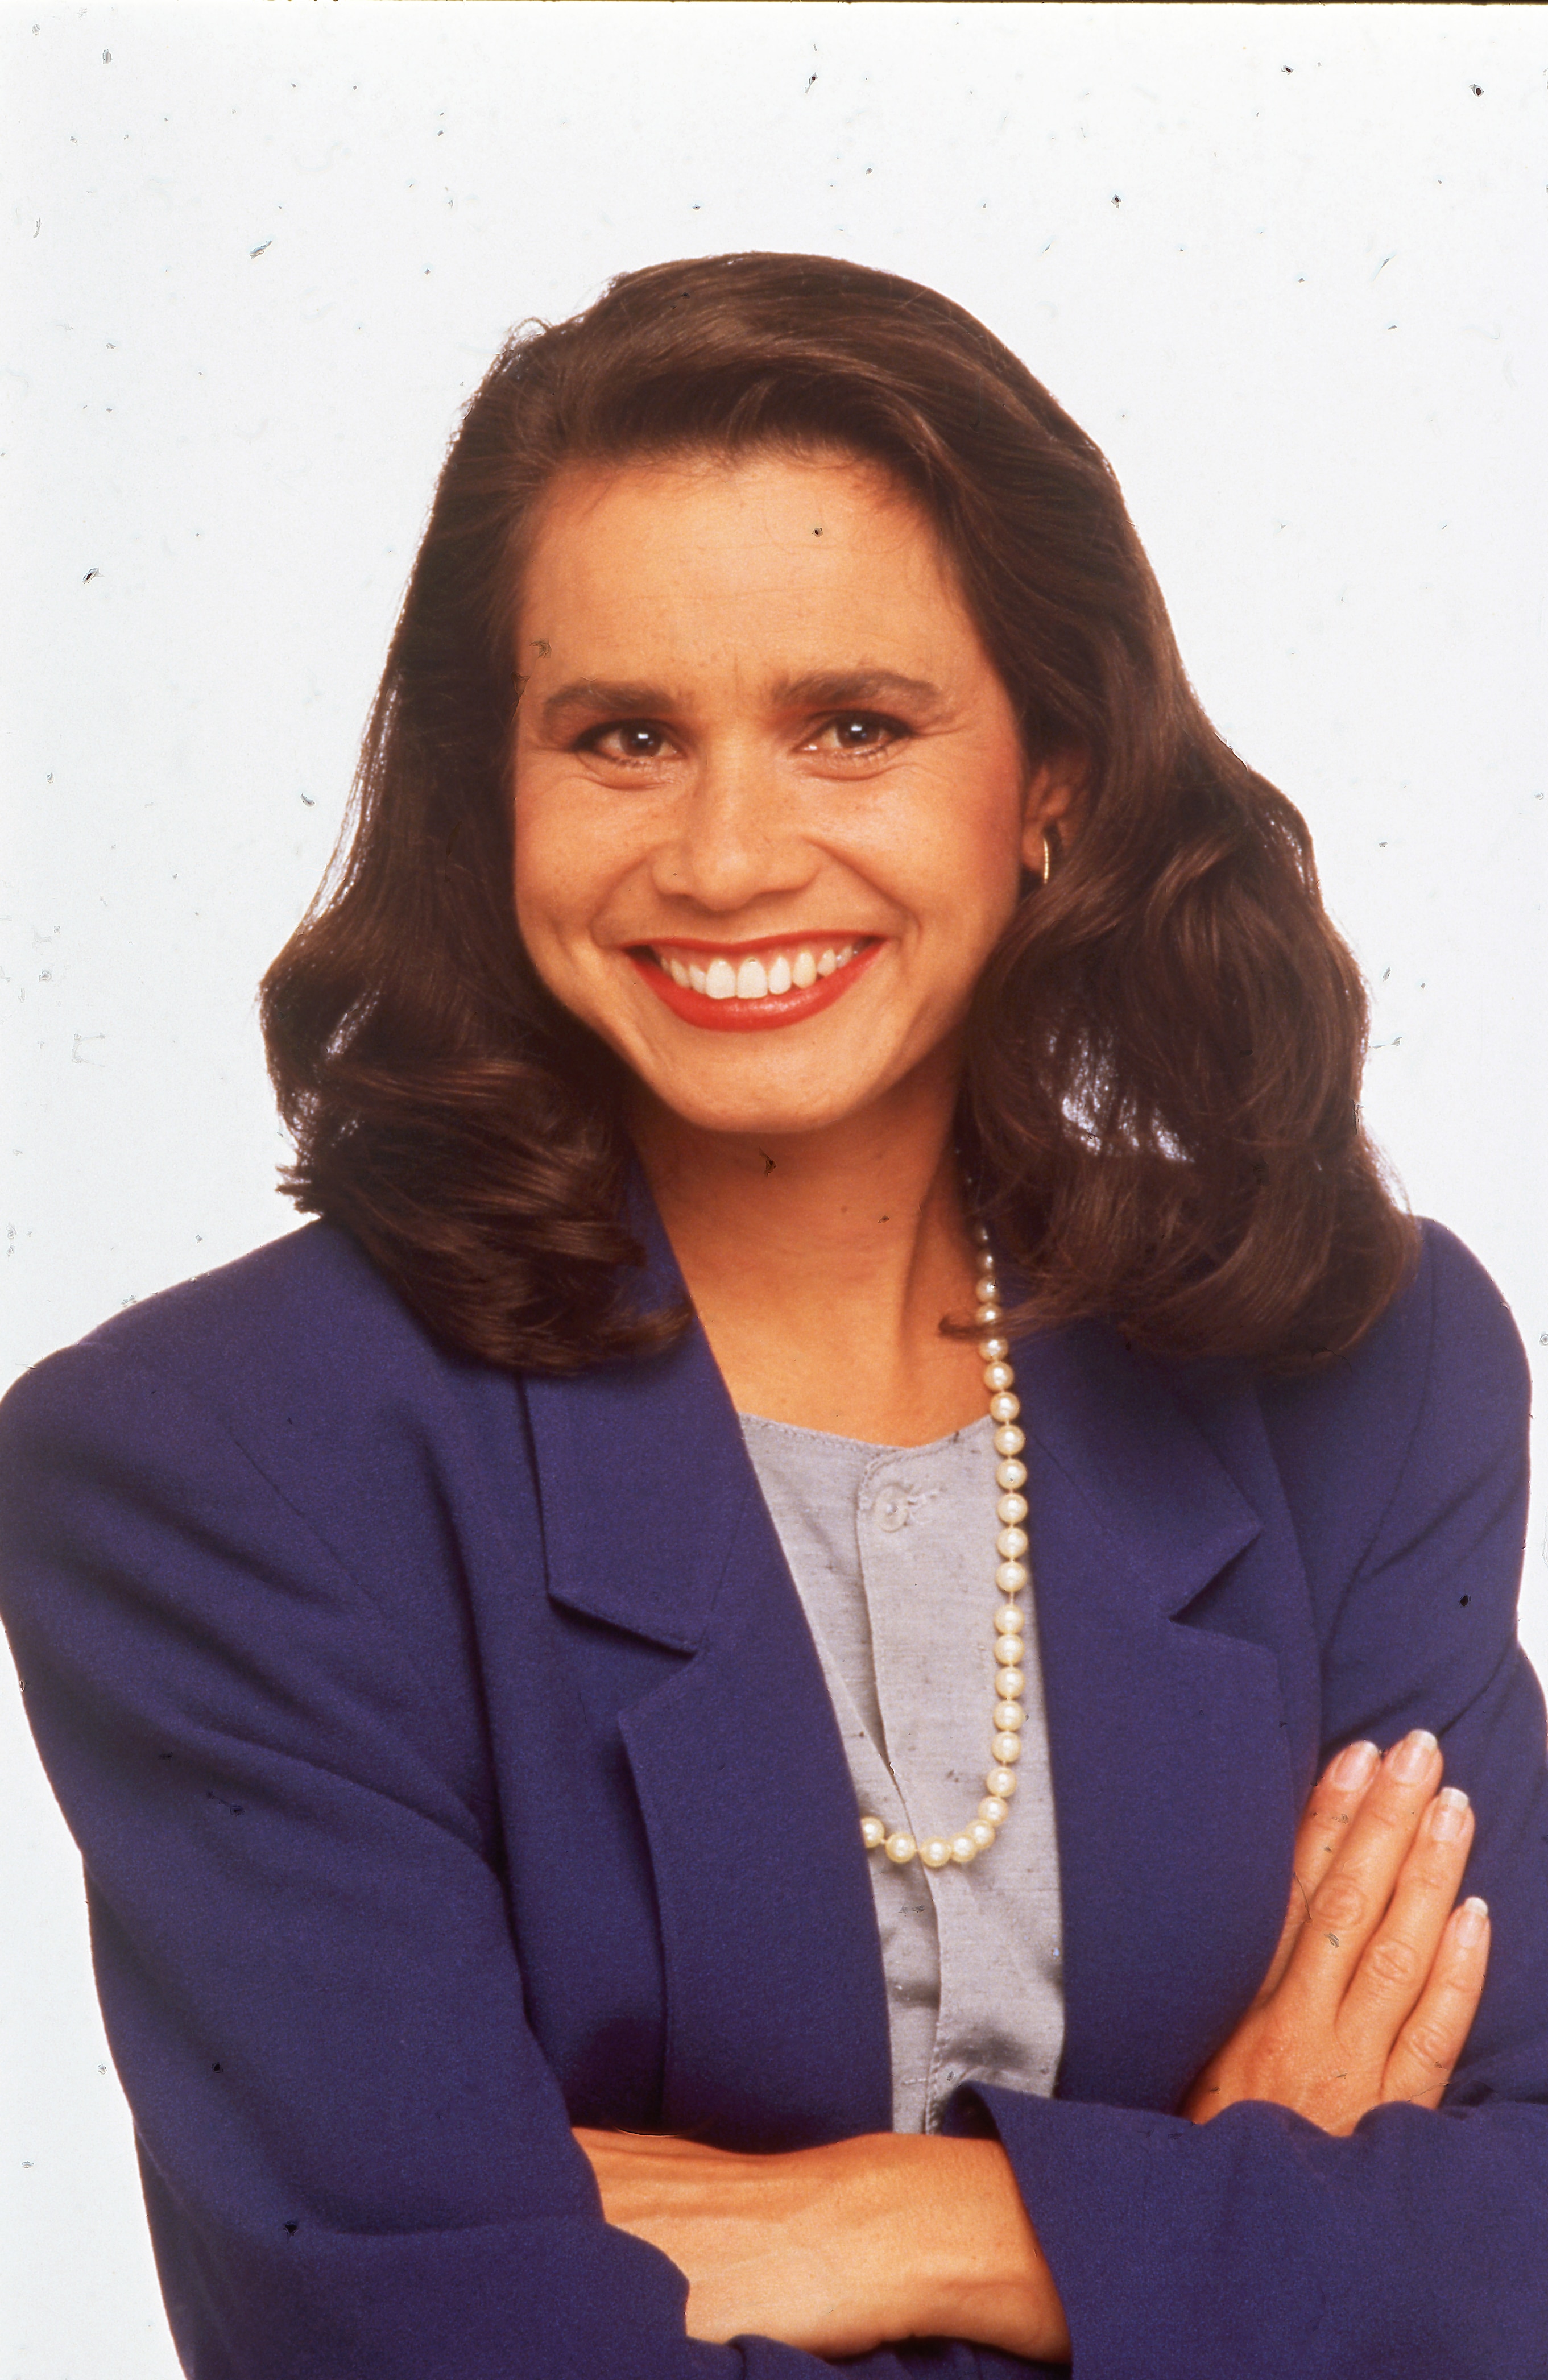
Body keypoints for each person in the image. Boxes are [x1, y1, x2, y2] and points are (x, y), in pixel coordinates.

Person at [2, 251, 1543, 2380]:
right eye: (621, 735)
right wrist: (1235, 2234)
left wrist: (910, 2221)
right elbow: (425, 2350)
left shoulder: (1347, 1367)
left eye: (853, 725)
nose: (727, 854)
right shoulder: (214, 1463)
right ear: (499, 788)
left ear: (1055, 777)